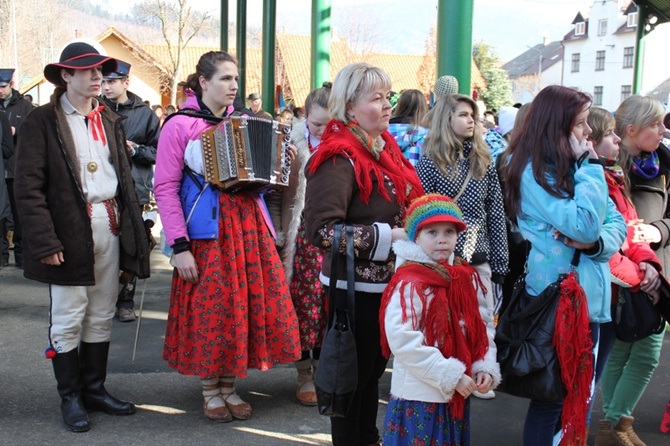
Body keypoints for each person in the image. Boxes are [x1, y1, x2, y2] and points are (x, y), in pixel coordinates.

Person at [154, 51, 301, 423]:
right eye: (224, 79)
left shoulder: (244, 121)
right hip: (206, 233)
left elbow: (262, 185)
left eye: (235, 79)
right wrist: (179, 246)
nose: (233, 86)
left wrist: (285, 160)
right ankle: (210, 389)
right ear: (203, 83)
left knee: (241, 308)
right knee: (213, 308)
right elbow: (165, 188)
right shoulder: (179, 125)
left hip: (248, 228)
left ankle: (230, 385)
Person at [13, 42, 150, 433]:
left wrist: (134, 231)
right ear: (65, 76)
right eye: (87, 71)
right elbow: (28, 188)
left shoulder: (109, 119)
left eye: (100, 71)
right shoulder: (41, 122)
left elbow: (122, 179)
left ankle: (94, 390)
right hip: (69, 230)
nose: (97, 77)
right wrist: (45, 241)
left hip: (109, 222)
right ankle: (70, 397)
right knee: (69, 316)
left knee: (102, 312)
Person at [304, 62, 424, 446]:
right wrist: (389, 236)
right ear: (350, 107)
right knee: (350, 382)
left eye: (389, 96)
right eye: (377, 98)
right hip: (352, 291)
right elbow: (320, 231)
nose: (388, 105)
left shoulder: (382, 148)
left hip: (386, 286)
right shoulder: (338, 156)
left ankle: (367, 438)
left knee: (370, 376)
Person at [504, 85, 626, 445]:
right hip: (559, 300)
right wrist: (590, 170)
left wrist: (598, 242)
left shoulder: (574, 166)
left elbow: (615, 222)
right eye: (582, 123)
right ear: (556, 125)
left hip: (591, 299)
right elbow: (586, 223)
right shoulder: (532, 172)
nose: (589, 133)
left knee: (582, 396)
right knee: (553, 400)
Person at [379, 194, 501, 445]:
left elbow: (481, 327)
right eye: (432, 232)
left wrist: (483, 366)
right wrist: (452, 375)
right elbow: (402, 340)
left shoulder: (464, 277)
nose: (442, 239)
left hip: (456, 394)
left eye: (449, 231)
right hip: (419, 397)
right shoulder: (409, 281)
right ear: (416, 236)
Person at [416, 93, 508, 400]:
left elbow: (495, 209)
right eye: (464, 114)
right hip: (442, 251)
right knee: (445, 317)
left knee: (482, 319)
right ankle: (451, 374)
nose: (472, 120)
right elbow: (423, 208)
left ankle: (482, 374)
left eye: (474, 115)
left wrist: (500, 258)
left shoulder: (483, 158)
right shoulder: (430, 159)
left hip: (478, 251)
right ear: (446, 118)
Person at [598, 96, 669, 446]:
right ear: (631, 130)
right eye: (655, 124)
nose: (663, 130)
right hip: (620, 272)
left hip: (657, 269)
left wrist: (659, 231)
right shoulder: (608, 165)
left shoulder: (666, 161)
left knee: (648, 350)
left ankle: (614, 424)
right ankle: (616, 427)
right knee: (621, 349)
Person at [266, 82, 332, 406]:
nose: (322, 129)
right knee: (301, 304)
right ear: (306, 116)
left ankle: (321, 369)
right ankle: (303, 371)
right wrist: (279, 232)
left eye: (329, 124)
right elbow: (278, 196)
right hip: (301, 235)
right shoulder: (289, 144)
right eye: (317, 123)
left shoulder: (344, 146)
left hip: (332, 234)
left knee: (327, 306)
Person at [101, 59, 161, 322]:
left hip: (133, 190)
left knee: (132, 248)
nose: (105, 86)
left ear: (126, 81)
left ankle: (125, 301)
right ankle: (101, 300)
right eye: (102, 81)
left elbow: (158, 152)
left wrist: (135, 149)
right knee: (101, 247)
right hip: (102, 189)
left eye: (111, 81)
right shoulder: (95, 109)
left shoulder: (144, 114)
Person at [0, 67, 34, 269]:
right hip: (1, 169)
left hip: (16, 168)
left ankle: (22, 255)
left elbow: (33, 134)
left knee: (19, 215)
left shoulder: (24, 107)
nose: (0, 91)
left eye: (3, 87)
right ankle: (2, 254)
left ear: (11, 85)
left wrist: (16, 131)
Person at [388, 89, 429, 166]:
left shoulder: (383, 131)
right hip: (414, 176)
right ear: (423, 109)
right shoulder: (426, 136)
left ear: (399, 105)